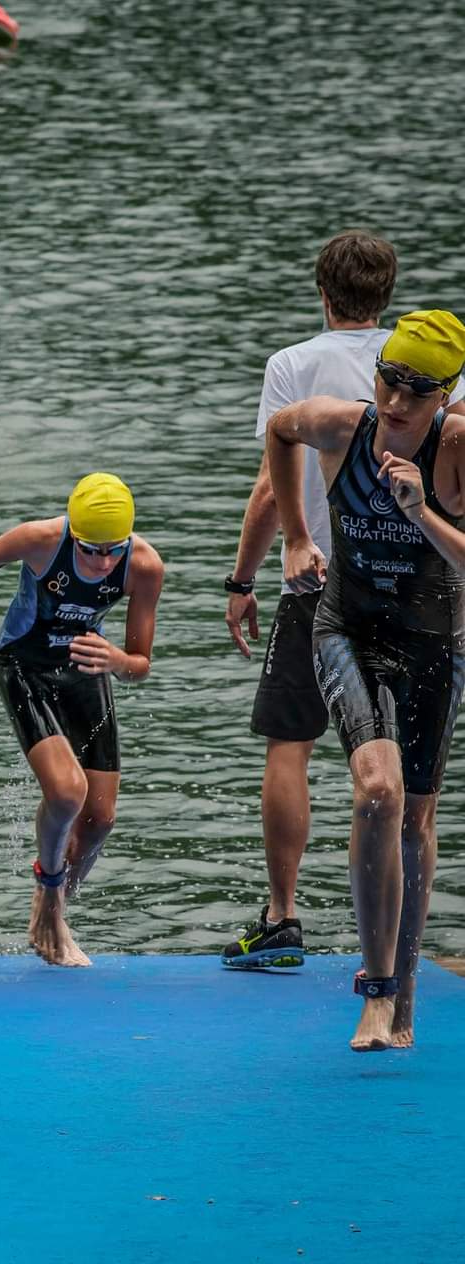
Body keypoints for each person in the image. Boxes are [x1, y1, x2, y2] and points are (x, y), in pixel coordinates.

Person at [267, 309, 465, 1052]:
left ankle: (406, 989)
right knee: (375, 791)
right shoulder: (339, 426)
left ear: (445, 396)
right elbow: (280, 431)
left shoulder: (456, 448)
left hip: (432, 643)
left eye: (417, 390)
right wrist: (293, 535)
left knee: (414, 815)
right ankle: (375, 990)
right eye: (388, 379)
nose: (396, 403)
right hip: (346, 627)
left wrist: (422, 514)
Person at [221, 231, 399, 969]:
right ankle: (390, 937)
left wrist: (241, 579)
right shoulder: (426, 368)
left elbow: (273, 483)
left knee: (289, 745)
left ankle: (282, 916)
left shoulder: (294, 364)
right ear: (386, 297)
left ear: (323, 296)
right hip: (408, 581)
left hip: (315, 578)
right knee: (397, 761)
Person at [0, 474, 163, 965]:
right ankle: (51, 897)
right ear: (72, 532)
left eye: (112, 550)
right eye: (90, 549)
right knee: (67, 792)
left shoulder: (143, 567)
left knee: (99, 819)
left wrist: (117, 660)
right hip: (22, 664)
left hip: (86, 668)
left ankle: (50, 910)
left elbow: (139, 664)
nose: (101, 563)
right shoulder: (40, 540)